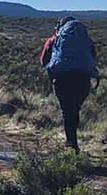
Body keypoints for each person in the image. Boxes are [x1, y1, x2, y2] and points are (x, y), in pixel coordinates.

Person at [41, 16, 99, 154]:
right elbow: (93, 59)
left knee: (67, 112)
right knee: (75, 110)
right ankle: (73, 142)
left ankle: (72, 144)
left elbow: (43, 61)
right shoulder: (87, 41)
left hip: (62, 80)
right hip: (83, 81)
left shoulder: (54, 40)